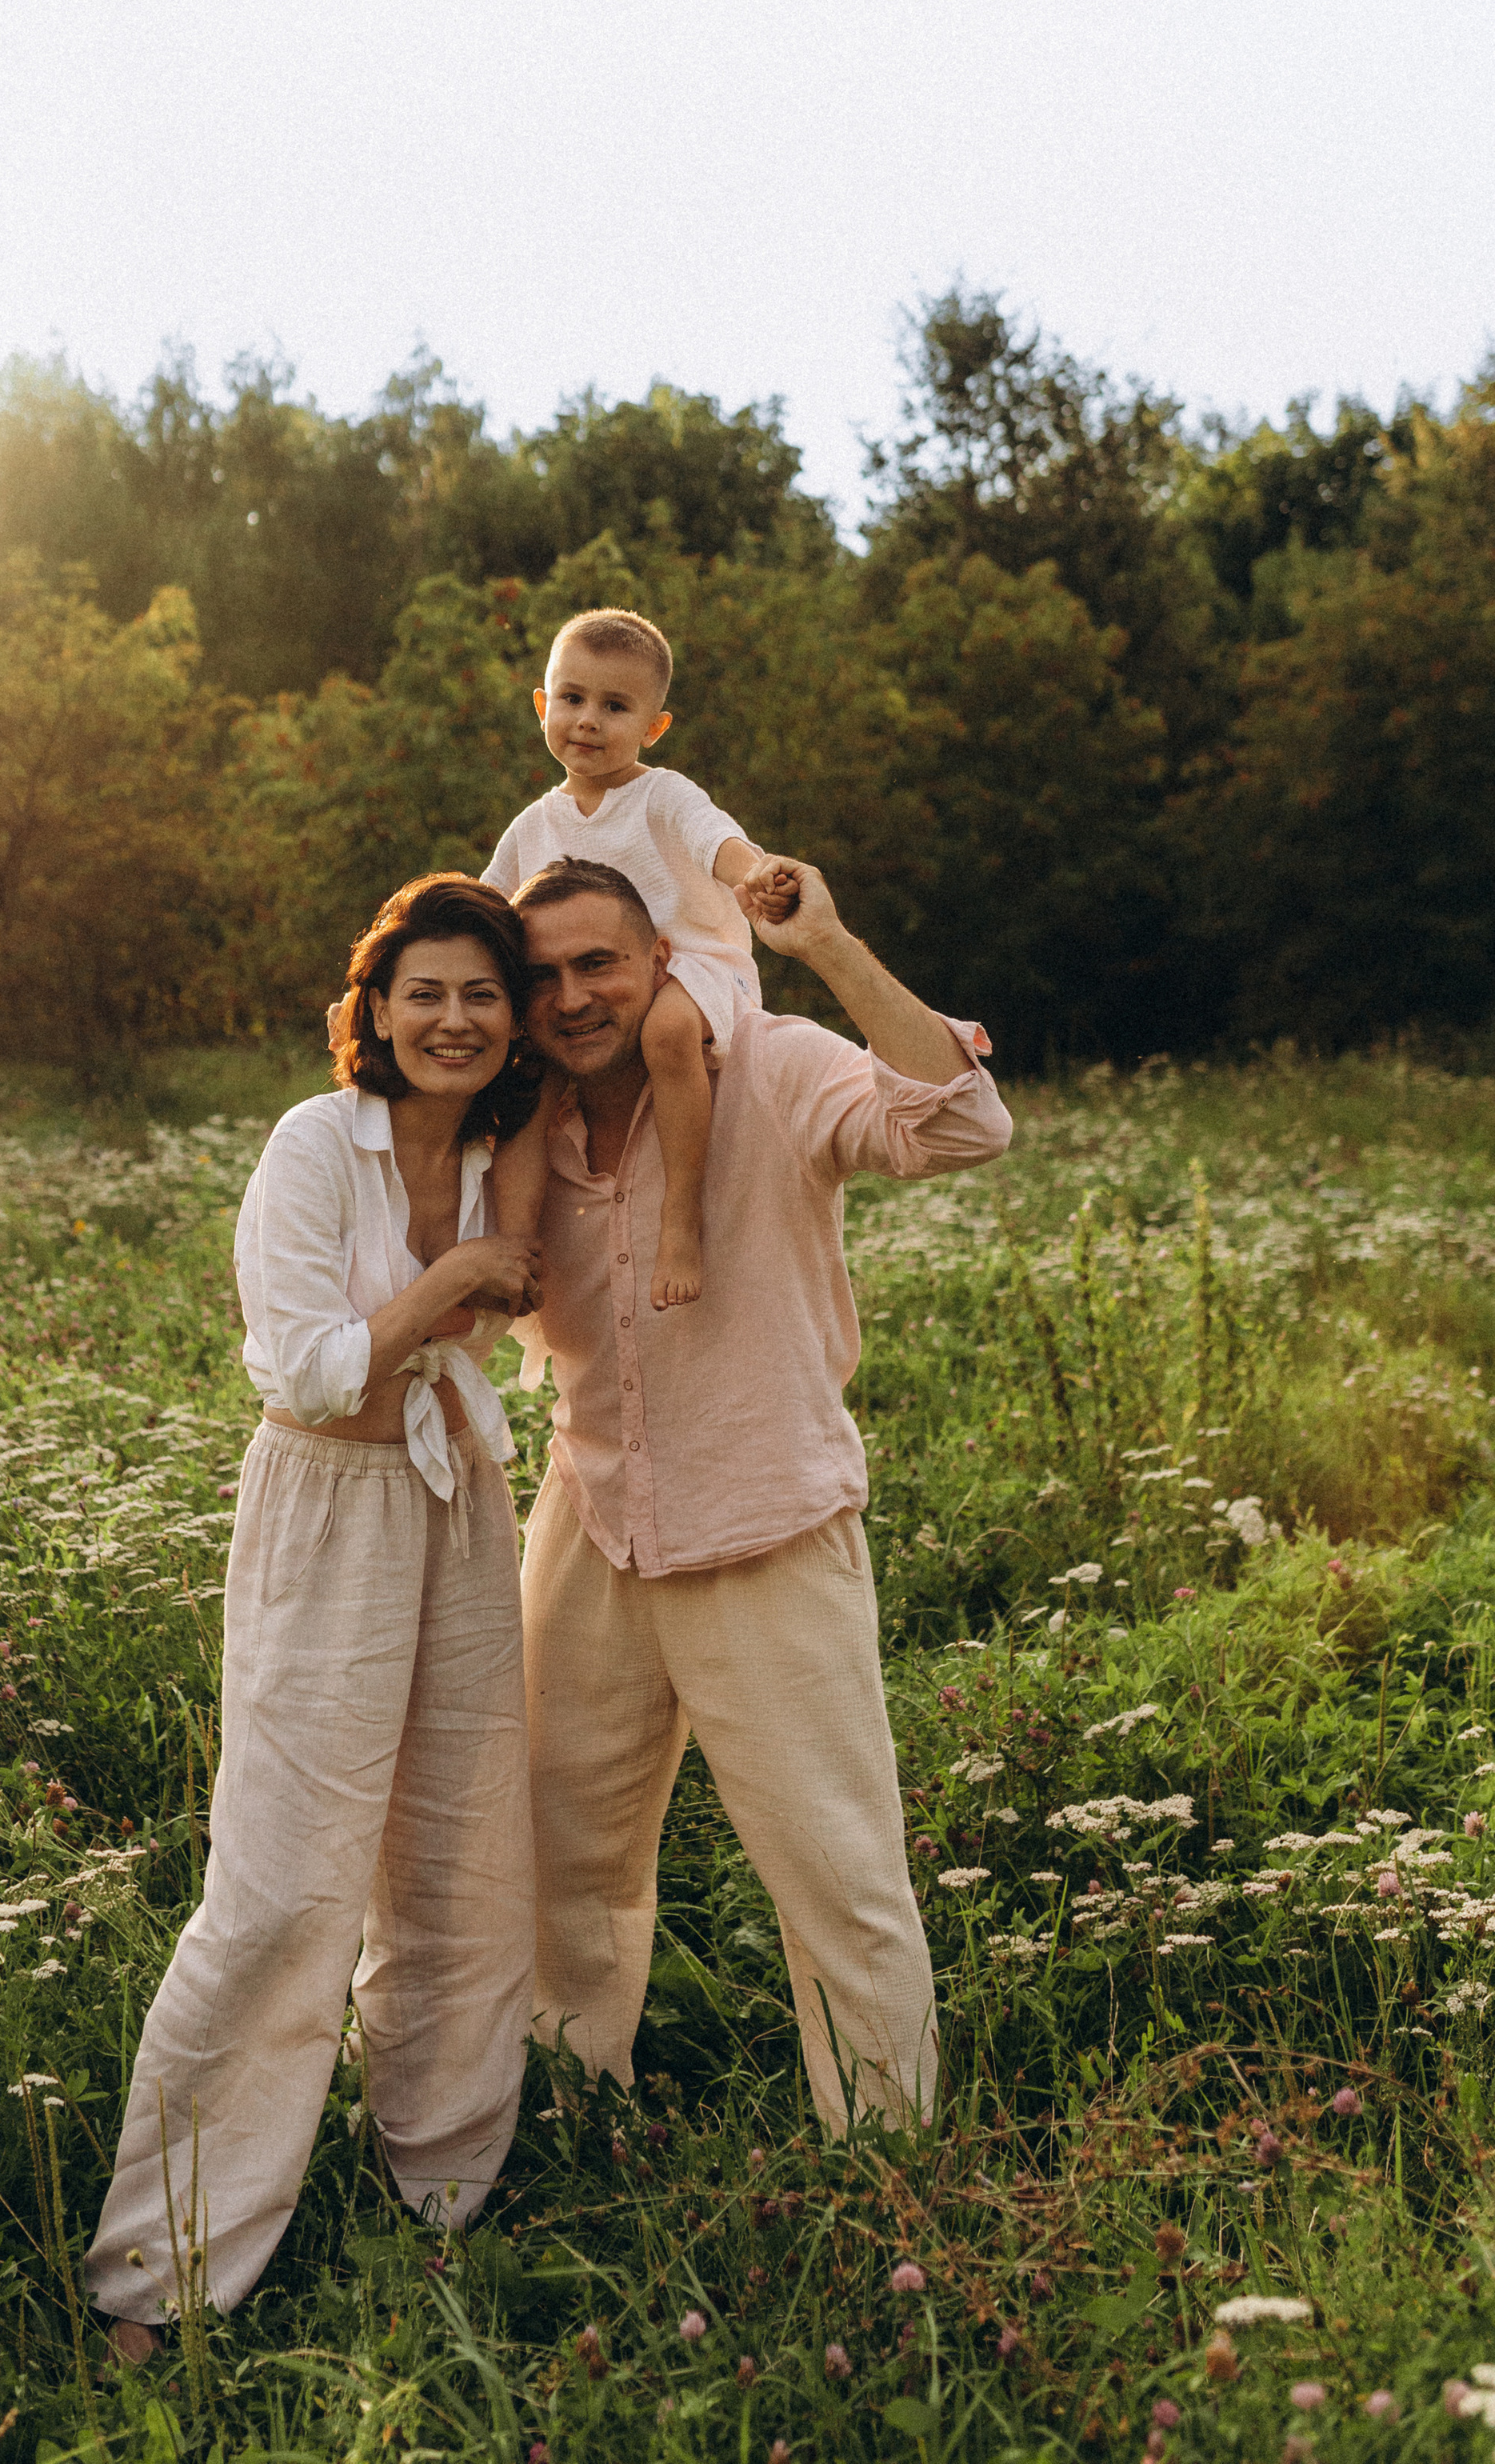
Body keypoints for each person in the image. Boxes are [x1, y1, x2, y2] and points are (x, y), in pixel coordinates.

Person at [84, 874, 544, 2358]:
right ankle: (163, 2277)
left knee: (464, 1858)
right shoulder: (310, 1142)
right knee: (283, 1887)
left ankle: (443, 2193)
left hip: (458, 1501)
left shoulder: (504, 1148)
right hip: (326, 1511)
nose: (455, 1019)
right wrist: (453, 1281)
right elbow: (300, 1366)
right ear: (376, 1009)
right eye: (427, 992)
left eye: (483, 993)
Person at [507, 851, 1013, 2131]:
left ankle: (888, 2163)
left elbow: (961, 1122)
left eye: (599, 964)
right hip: (593, 1524)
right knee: (560, 1867)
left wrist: (831, 949)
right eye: (544, 974)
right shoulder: (520, 1128)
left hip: (768, 1522)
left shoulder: (773, 1066)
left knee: (838, 1881)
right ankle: (571, 2122)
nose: (572, 996)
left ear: (663, 962)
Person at [482, 606, 798, 1313]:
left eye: (614, 706)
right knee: (528, 1079)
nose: (588, 720)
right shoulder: (534, 823)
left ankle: (681, 1218)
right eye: (572, 699)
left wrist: (753, 875)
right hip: (592, 984)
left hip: (695, 965)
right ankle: (514, 1245)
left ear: (653, 727)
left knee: (665, 1030)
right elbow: (482, 908)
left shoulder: (662, 795)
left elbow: (714, 839)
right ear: (542, 705)